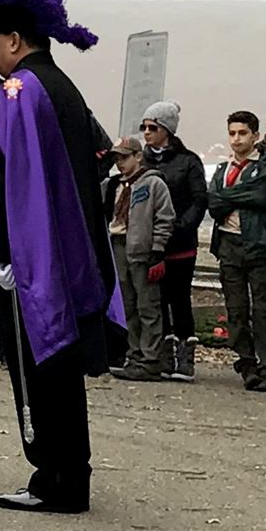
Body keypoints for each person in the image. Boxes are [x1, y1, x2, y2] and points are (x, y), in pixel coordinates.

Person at [0, 0, 124, 515]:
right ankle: (67, 475)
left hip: (38, 257)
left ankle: (55, 478)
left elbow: (14, 179)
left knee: (39, 366)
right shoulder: (63, 88)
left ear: (14, 38)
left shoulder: (19, 91)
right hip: (73, 248)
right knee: (62, 368)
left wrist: (1, 249)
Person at [206, 110, 266, 393]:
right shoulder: (223, 170)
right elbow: (214, 203)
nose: (236, 139)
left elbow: (265, 196)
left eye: (242, 133)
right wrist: (234, 196)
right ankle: (246, 363)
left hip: (260, 245)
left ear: (255, 135)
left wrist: (228, 196)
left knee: (263, 309)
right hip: (228, 244)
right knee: (236, 309)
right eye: (232, 133)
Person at [138, 101, 210, 381]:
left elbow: (199, 198)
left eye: (152, 127)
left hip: (180, 244)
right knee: (156, 300)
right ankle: (163, 355)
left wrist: (181, 227)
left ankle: (185, 355)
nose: (146, 132)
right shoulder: (141, 160)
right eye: (144, 127)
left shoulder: (188, 161)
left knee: (179, 298)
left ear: (166, 129)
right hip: (150, 243)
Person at [101, 136, 175, 381]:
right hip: (118, 246)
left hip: (143, 251)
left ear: (138, 157)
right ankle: (134, 354)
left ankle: (151, 358)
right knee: (128, 305)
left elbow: (165, 219)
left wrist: (157, 250)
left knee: (148, 306)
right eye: (117, 159)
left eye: (124, 157)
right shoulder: (115, 186)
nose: (120, 163)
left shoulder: (153, 184)